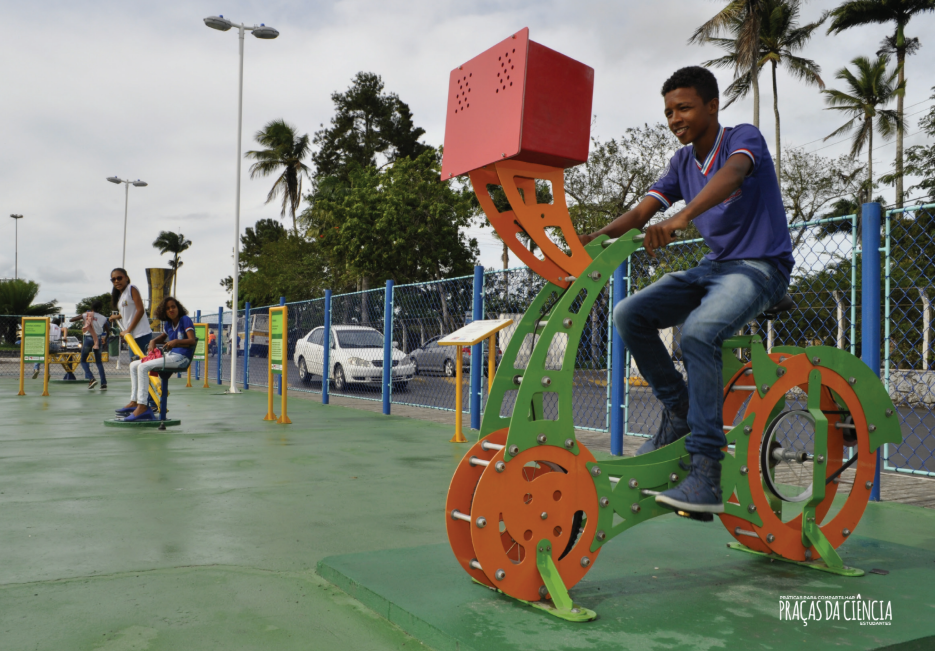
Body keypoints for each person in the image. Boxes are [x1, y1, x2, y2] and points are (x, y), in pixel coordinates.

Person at [579, 67, 793, 515]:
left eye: (684, 108)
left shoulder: (742, 138)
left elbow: (734, 173)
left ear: (712, 106)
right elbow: (641, 213)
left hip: (760, 266)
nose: (675, 119)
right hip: (715, 267)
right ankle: (679, 409)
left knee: (698, 333)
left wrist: (682, 217)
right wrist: (593, 241)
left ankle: (706, 473)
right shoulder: (681, 163)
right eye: (669, 112)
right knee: (629, 314)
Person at [119, 296, 196, 422]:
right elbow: (162, 337)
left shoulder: (185, 320)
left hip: (182, 358)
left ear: (178, 308)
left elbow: (192, 340)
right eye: (167, 308)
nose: (171, 310)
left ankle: (143, 407)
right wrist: (153, 341)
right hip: (171, 356)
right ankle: (135, 401)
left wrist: (176, 341)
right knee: (133, 365)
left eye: (173, 307)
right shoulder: (168, 324)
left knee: (143, 367)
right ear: (164, 312)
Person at [109, 268, 155, 407]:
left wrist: (128, 330)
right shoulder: (121, 296)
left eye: (119, 278)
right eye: (113, 279)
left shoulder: (131, 289)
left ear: (126, 278)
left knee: (142, 369)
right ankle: (137, 400)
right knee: (135, 370)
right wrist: (116, 316)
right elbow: (127, 313)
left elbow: (140, 310)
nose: (116, 281)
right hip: (132, 337)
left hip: (141, 335)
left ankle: (150, 402)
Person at [71, 300, 109, 389]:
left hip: (88, 338)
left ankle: (91, 378)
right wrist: (105, 338)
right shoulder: (103, 318)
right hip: (98, 339)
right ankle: (103, 383)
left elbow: (71, 320)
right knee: (99, 362)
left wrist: (83, 315)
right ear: (100, 308)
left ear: (92, 307)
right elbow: (108, 330)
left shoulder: (86, 315)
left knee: (83, 360)